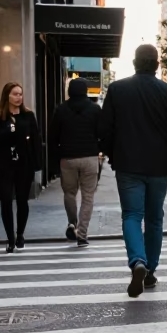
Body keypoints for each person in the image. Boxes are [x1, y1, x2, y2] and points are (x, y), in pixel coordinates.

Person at [99, 44, 167, 297]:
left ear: (134, 62)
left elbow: (104, 129)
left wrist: (111, 154)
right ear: (157, 65)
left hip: (128, 164)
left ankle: (137, 261)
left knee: (131, 215)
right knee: (154, 219)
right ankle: (150, 271)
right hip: (160, 166)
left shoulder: (117, 90)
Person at [47, 77, 102, 247]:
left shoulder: (61, 110)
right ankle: (82, 234)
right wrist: (99, 149)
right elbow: (102, 132)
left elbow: (52, 136)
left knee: (69, 193)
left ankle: (72, 223)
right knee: (88, 196)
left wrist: (56, 157)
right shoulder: (95, 109)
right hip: (90, 157)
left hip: (68, 158)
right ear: (86, 90)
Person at [0, 82, 40, 253]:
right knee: (6, 202)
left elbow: (36, 141)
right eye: (15, 94)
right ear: (7, 96)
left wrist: (36, 163)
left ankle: (21, 234)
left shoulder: (28, 116)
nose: (19, 97)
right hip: (4, 166)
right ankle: (10, 238)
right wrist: (8, 131)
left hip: (24, 165)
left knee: (23, 201)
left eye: (20, 94)